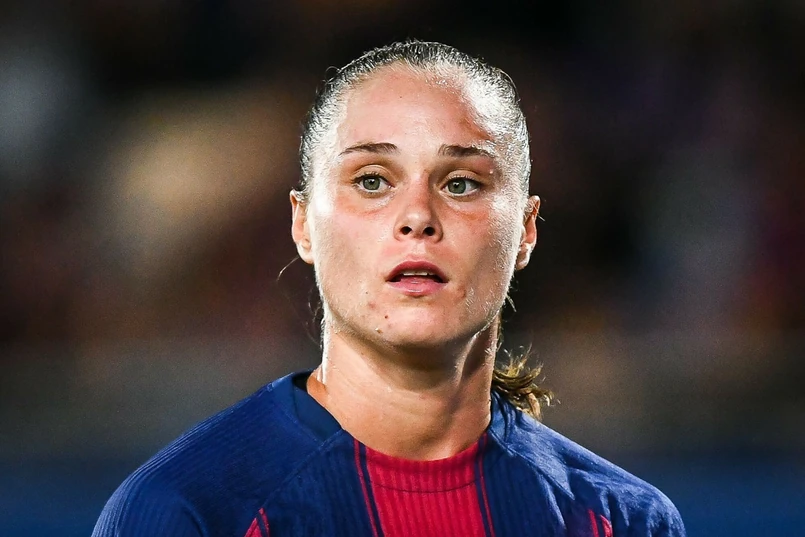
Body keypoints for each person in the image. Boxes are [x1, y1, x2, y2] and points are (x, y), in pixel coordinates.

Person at [93, 40, 686, 537]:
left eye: (461, 183)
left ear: (527, 229)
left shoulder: (622, 521)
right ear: (303, 224)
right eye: (373, 180)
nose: (418, 217)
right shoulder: (186, 512)